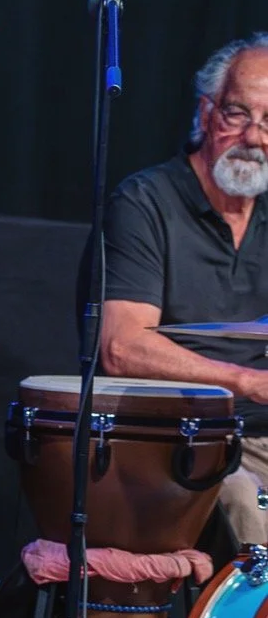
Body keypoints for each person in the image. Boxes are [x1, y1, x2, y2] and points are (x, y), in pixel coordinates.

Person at [100, 32, 268, 553]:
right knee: (244, 500)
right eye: (238, 114)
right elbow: (121, 348)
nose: (255, 138)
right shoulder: (146, 202)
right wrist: (245, 380)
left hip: (260, 437)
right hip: (175, 437)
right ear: (206, 111)